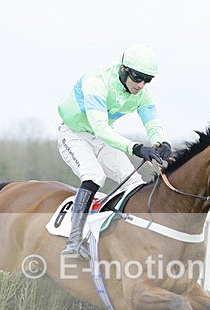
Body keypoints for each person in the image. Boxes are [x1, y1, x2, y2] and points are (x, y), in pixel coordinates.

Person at [57, 43, 172, 259]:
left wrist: (161, 142)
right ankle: (73, 243)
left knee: (135, 184)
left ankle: (126, 240)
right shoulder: (97, 82)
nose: (141, 85)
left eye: (148, 79)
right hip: (73, 134)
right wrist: (136, 148)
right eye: (138, 78)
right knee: (94, 176)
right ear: (124, 70)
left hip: (101, 137)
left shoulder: (142, 93)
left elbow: (153, 123)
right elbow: (100, 128)